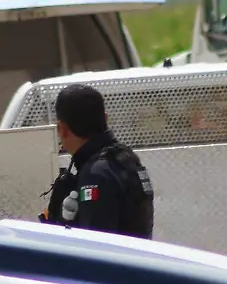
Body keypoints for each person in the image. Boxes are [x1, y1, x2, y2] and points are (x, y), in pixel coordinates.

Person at [40, 84, 154, 238]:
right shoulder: (125, 157)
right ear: (105, 118)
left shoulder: (96, 174)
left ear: (62, 129)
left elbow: (95, 247)